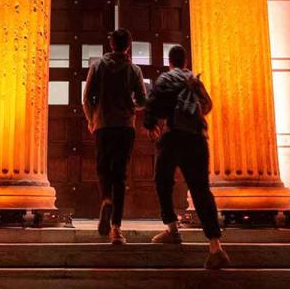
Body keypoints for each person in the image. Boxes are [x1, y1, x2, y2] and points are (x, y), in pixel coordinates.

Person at [143, 44, 230, 270]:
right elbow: (208, 104)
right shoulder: (193, 79)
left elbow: (151, 102)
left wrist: (151, 124)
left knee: (163, 181)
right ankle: (215, 246)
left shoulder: (166, 79)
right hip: (198, 139)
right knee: (201, 190)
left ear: (170, 62)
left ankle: (172, 229)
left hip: (173, 138)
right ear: (185, 62)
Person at [82, 27, 147, 243]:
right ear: (128, 46)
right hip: (125, 126)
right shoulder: (134, 70)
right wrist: (131, 106)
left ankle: (106, 199)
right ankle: (116, 229)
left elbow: (86, 98)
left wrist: (92, 119)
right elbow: (142, 101)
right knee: (120, 176)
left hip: (103, 125)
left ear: (111, 44)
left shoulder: (97, 66)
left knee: (103, 168)